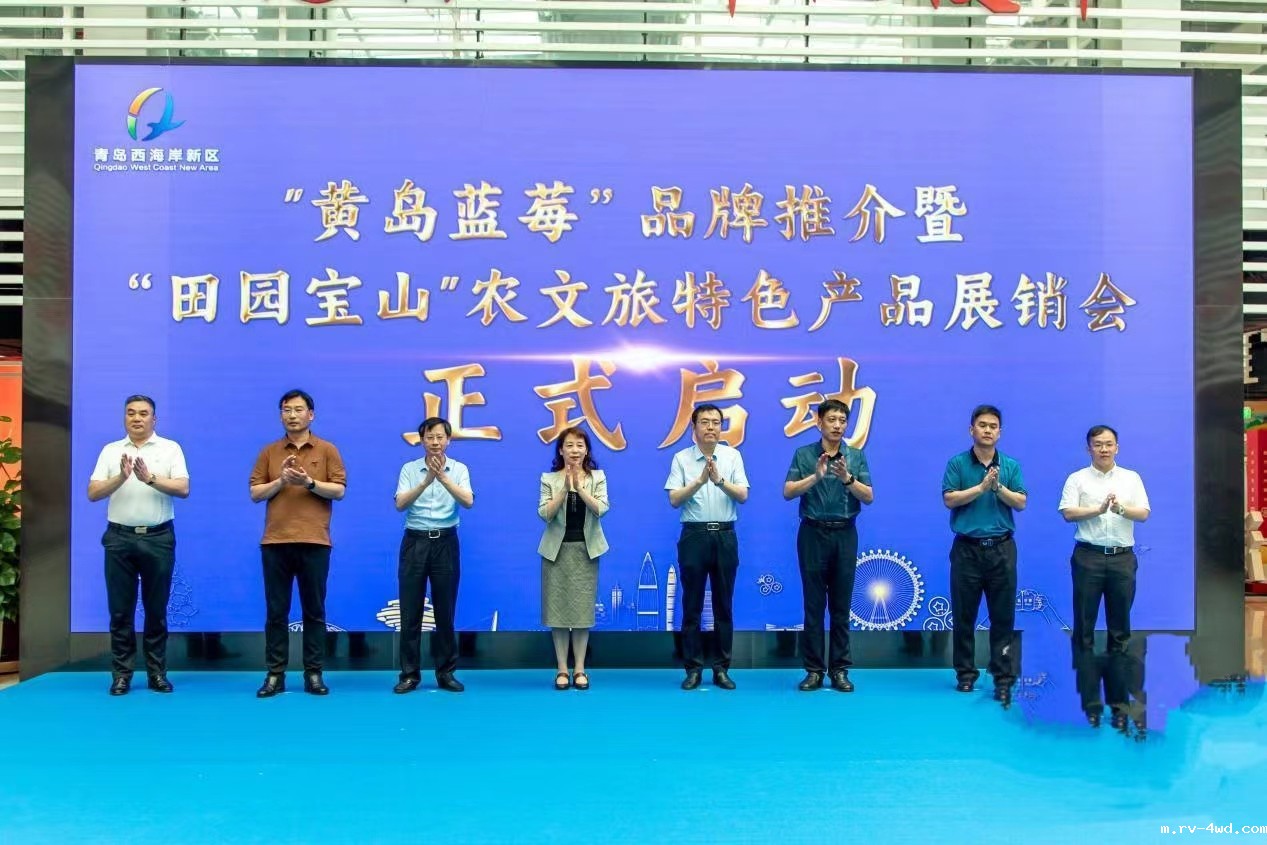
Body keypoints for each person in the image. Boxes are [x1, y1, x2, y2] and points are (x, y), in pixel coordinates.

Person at [87, 395, 189, 696]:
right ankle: (121, 675)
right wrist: (121, 477)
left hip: (158, 538)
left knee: (156, 610)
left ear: (154, 419)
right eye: (131, 413)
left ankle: (157, 674)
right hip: (119, 539)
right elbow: (93, 492)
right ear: (124, 418)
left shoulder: (170, 448)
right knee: (120, 611)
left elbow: (183, 488)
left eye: (143, 413)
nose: (136, 418)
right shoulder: (111, 450)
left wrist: (150, 478)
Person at [249, 389, 346, 698]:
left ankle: (313, 673)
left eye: (298, 409)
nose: (292, 415)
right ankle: (275, 674)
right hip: (275, 542)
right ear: (281, 415)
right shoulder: (269, 452)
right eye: (286, 410)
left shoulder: (327, 450)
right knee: (276, 612)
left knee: (314, 611)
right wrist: (281, 480)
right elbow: (255, 493)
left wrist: (308, 482)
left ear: (311, 414)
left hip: (315, 541)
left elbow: (339, 490)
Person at [783, 399, 874, 693]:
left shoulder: (855, 456)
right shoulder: (804, 454)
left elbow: (868, 496)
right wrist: (816, 476)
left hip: (845, 534)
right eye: (831, 420)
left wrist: (847, 478)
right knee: (813, 605)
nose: (837, 425)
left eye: (842, 420)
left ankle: (839, 670)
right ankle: (813, 671)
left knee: (840, 605)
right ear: (819, 422)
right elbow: (788, 492)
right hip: (812, 534)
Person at [941, 404, 1027, 699]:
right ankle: (965, 674)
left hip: (1002, 549)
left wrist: (997, 487)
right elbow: (949, 499)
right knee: (964, 615)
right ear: (971, 430)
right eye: (982, 425)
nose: (987, 430)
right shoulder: (957, 464)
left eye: (993, 426)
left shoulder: (1010, 465)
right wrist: (980, 488)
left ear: (999, 432)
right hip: (967, 549)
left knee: (1003, 617)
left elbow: (1020, 502)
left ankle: (1003, 678)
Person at [665, 404, 749, 690]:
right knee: (692, 606)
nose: (711, 427)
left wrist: (719, 481)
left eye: (716, 422)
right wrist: (700, 481)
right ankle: (693, 669)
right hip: (694, 536)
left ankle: (721, 668)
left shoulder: (732, 456)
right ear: (694, 427)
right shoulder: (681, 458)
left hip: (725, 535)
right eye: (705, 422)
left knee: (724, 605)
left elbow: (743, 495)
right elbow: (674, 499)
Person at [393, 417, 472, 694]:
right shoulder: (410, 469)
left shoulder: (459, 469)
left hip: (445, 542)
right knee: (410, 611)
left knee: (445, 611)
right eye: (430, 437)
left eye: (440, 437)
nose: (435, 442)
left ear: (448, 440)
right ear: (422, 440)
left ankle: (446, 673)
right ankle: (409, 675)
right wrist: (426, 481)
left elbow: (468, 501)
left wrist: (443, 478)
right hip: (415, 541)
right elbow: (400, 504)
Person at [1058, 425, 1150, 658]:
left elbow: (1143, 513)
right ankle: (1084, 670)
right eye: (1098, 445)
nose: (1104, 449)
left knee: (1120, 622)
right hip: (1088, 556)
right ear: (1088, 449)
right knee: (1084, 619)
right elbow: (1068, 513)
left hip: (1122, 558)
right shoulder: (1077, 479)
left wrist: (1121, 509)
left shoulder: (1131, 478)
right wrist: (1098, 510)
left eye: (1109, 444)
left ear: (1117, 448)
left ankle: (1117, 671)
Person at [538, 427, 610, 691]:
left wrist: (579, 488)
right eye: (569, 445)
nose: (575, 450)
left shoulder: (597, 477)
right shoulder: (549, 478)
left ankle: (579, 669)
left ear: (586, 450)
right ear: (561, 450)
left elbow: (601, 509)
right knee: (557, 614)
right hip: (556, 553)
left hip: (585, 552)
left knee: (581, 614)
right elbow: (544, 514)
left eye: (580, 445)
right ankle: (561, 669)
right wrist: (564, 490)